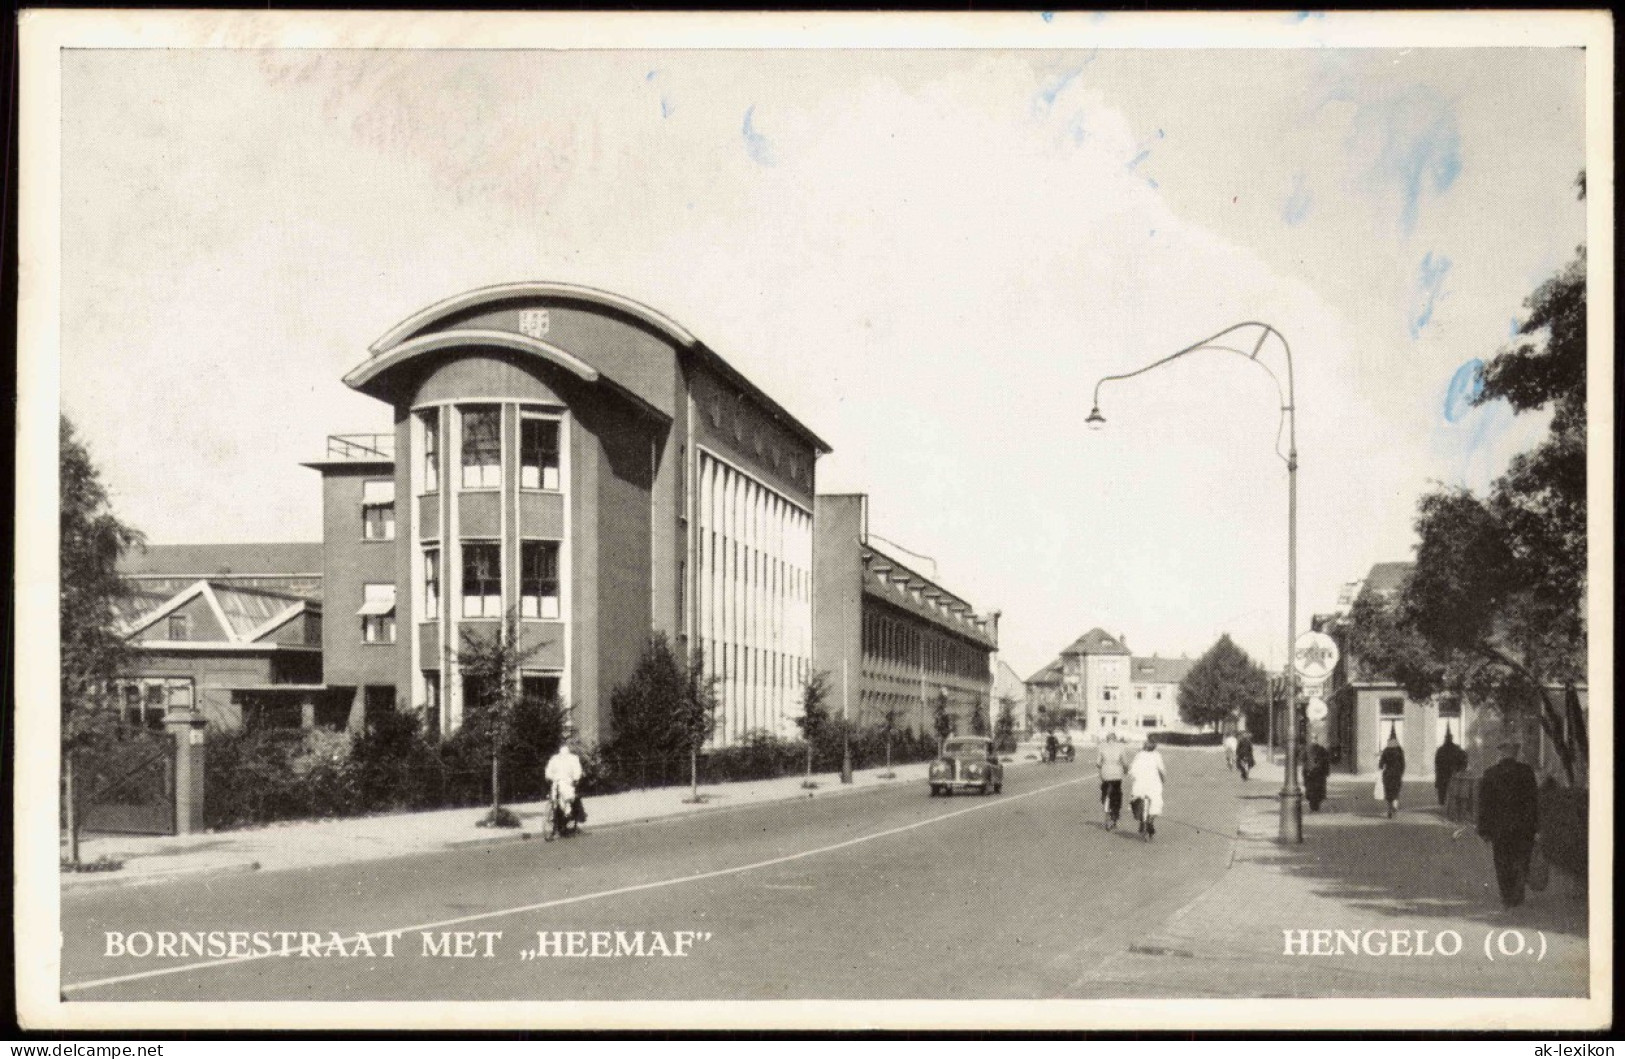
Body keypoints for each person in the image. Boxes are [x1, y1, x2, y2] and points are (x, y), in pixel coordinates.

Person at [1476, 739, 1540, 909]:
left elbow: (1484, 804)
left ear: (1501, 753)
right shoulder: (1526, 772)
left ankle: (1507, 895)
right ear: (1516, 753)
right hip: (1523, 827)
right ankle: (1517, 894)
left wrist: (1483, 829)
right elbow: (1534, 801)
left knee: (1502, 861)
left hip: (1499, 829)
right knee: (1521, 859)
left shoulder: (1490, 774)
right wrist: (1536, 827)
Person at [1127, 735, 1167, 842]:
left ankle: (1142, 821)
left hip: (1140, 785)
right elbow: (1162, 770)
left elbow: (1132, 770)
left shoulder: (1139, 755)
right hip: (1153, 784)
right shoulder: (1157, 755)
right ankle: (1149, 821)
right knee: (1156, 803)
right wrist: (1163, 780)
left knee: (1137, 800)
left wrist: (1134, 778)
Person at [544, 739, 586, 830]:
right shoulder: (573, 758)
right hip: (567, 783)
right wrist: (576, 779)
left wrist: (549, 777)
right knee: (569, 799)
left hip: (556, 783)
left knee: (557, 798)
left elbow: (548, 771)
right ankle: (567, 815)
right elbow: (577, 771)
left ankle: (560, 817)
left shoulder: (554, 758)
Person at [1097, 731, 1129, 830]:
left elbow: (1098, 763)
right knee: (1117, 795)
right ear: (1115, 739)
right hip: (1117, 775)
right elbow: (1124, 762)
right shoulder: (1121, 746)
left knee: (1105, 791)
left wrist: (1103, 767)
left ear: (1107, 739)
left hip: (1105, 774)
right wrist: (1125, 770)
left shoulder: (1101, 746)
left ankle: (1105, 802)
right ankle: (1115, 816)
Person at [1434, 728, 1469, 807]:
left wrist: (1460, 770)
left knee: (1450, 796)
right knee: (1446, 796)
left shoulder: (1443, 750)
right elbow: (1437, 766)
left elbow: (1464, 760)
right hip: (1447, 776)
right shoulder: (1443, 750)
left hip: (1451, 776)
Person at [1378, 731, 1406, 818]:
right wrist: (1401, 772)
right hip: (1397, 774)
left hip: (1388, 774)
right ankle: (1395, 804)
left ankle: (1389, 808)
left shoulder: (1386, 750)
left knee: (1388, 791)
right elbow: (1403, 763)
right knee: (1396, 790)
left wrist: (1382, 767)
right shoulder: (1399, 750)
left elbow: (1381, 764)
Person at [1303, 741, 1331, 812]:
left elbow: (1302, 759)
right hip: (1318, 773)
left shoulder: (1307, 749)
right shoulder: (1322, 749)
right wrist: (1327, 772)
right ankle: (1315, 805)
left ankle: (1313, 805)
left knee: (1311, 789)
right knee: (1317, 789)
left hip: (1311, 772)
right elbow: (1326, 761)